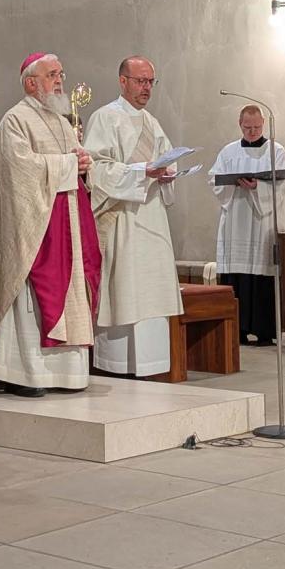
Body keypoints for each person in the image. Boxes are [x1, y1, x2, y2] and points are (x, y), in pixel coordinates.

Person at [0, 52, 102, 396]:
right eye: (52, 74)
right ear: (30, 82)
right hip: (33, 226)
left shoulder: (59, 120)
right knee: (29, 299)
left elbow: (75, 163)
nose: (60, 80)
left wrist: (84, 163)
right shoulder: (15, 120)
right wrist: (68, 165)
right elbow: (19, 171)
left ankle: (67, 374)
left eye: (61, 74)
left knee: (69, 292)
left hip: (64, 222)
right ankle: (23, 374)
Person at [84, 56, 182, 377]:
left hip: (151, 217)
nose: (146, 88)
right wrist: (144, 170)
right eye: (140, 81)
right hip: (122, 218)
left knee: (151, 291)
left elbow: (167, 159)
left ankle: (153, 364)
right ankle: (117, 365)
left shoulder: (152, 122)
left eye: (151, 82)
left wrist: (168, 172)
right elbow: (98, 170)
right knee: (126, 291)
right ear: (122, 81)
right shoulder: (105, 118)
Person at [208, 105, 285, 345]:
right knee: (237, 274)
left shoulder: (276, 150)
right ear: (239, 124)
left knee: (262, 273)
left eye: (256, 127)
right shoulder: (228, 151)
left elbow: (281, 184)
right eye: (247, 127)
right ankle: (238, 330)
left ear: (263, 123)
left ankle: (264, 331)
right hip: (236, 219)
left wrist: (258, 187)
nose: (252, 132)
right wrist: (234, 184)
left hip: (262, 222)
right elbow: (214, 179)